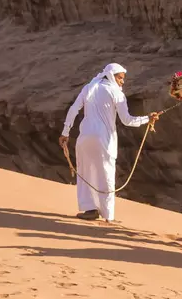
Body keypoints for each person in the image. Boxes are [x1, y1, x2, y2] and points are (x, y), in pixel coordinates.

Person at [60, 63, 162, 222]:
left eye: (123, 79)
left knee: (86, 173)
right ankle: (108, 216)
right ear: (111, 76)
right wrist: (147, 118)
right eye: (120, 78)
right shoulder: (116, 93)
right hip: (103, 140)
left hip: (84, 138)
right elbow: (127, 120)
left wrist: (65, 132)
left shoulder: (89, 87)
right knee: (105, 174)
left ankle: (90, 209)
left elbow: (74, 109)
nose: (122, 82)